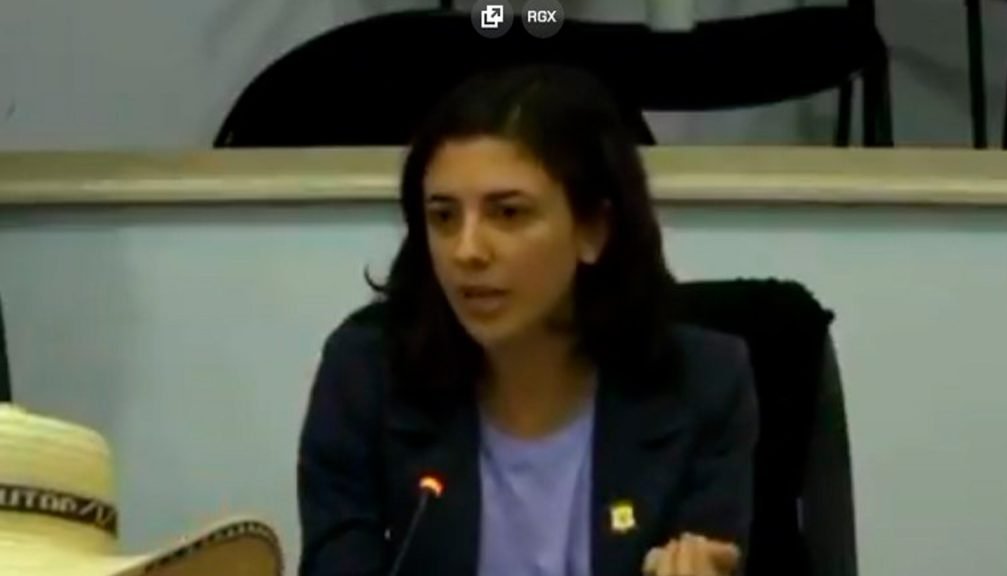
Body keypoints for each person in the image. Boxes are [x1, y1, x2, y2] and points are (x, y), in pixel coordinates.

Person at [296, 64, 759, 576]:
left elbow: (713, 551)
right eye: (444, 217)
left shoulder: (705, 385)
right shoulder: (365, 374)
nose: (467, 251)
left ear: (593, 229)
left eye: (508, 213)